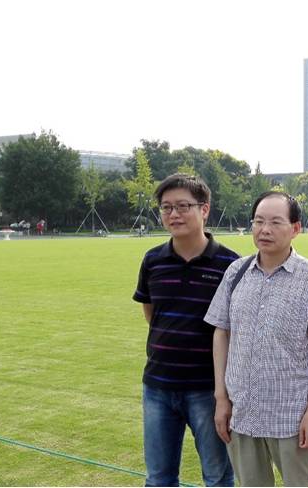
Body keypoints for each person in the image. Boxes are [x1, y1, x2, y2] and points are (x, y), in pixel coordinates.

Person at [205, 191, 308, 487]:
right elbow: (221, 332)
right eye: (258, 221)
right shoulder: (236, 272)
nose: (264, 230)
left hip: (290, 415)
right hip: (242, 411)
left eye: (276, 222)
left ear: (295, 228)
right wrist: (221, 398)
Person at [132, 173, 238, 487]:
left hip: (208, 390)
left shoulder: (229, 265)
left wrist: (223, 395)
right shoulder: (153, 260)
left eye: (182, 206)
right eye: (166, 208)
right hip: (158, 387)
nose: (174, 214)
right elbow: (152, 313)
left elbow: (234, 329)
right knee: (159, 478)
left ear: (204, 209)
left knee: (218, 477)